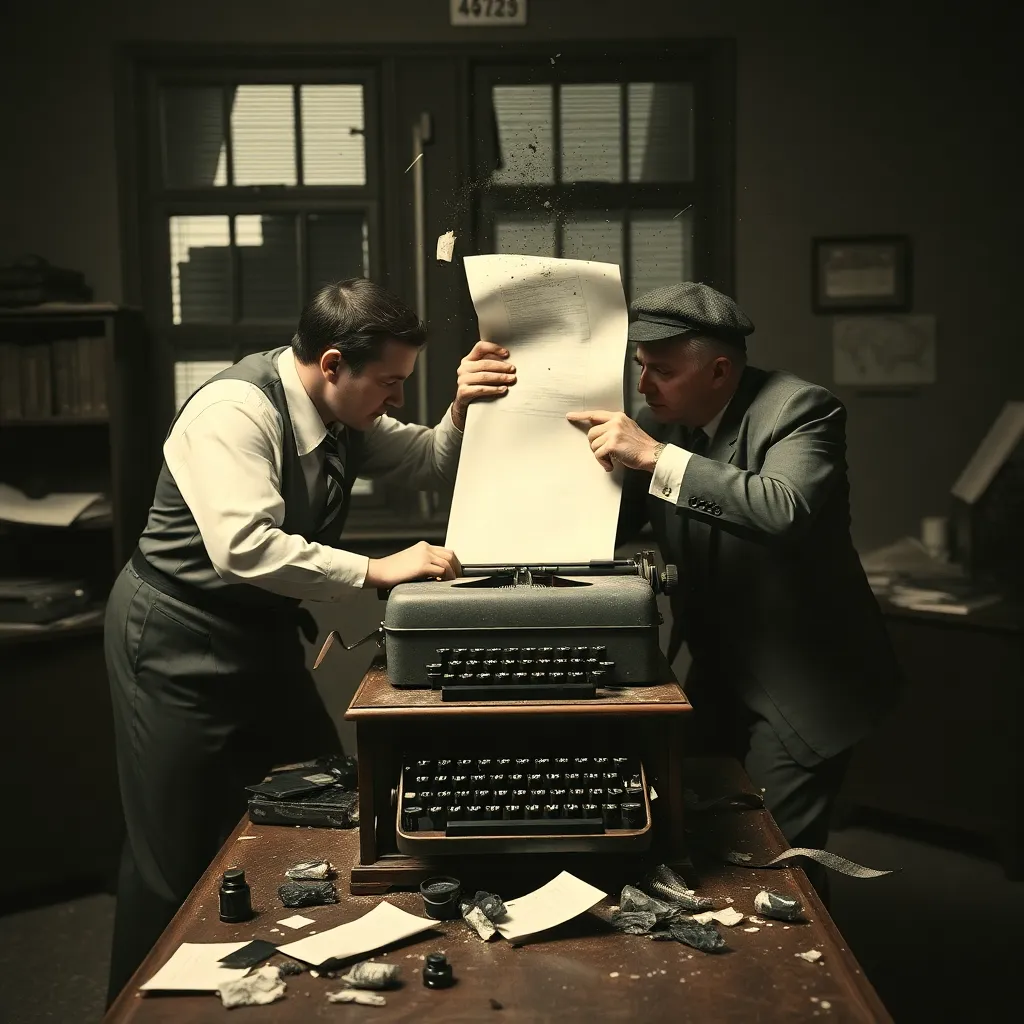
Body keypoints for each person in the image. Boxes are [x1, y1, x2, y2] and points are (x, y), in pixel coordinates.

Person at [104, 278, 516, 1002]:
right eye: (389, 382)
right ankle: (137, 1010)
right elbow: (244, 546)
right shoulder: (235, 412)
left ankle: (278, 989)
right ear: (332, 364)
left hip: (258, 632)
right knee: (173, 850)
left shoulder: (339, 411)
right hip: (174, 632)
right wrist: (375, 569)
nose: (397, 399)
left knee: (319, 804)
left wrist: (460, 410)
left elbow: (428, 458)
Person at [567, 281, 902, 895]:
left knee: (777, 861)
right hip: (718, 670)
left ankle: (801, 955)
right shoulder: (663, 423)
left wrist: (654, 457)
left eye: (662, 371)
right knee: (698, 832)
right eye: (640, 367)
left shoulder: (800, 408)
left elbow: (784, 508)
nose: (643, 386)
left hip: (804, 680)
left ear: (719, 370)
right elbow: (610, 525)